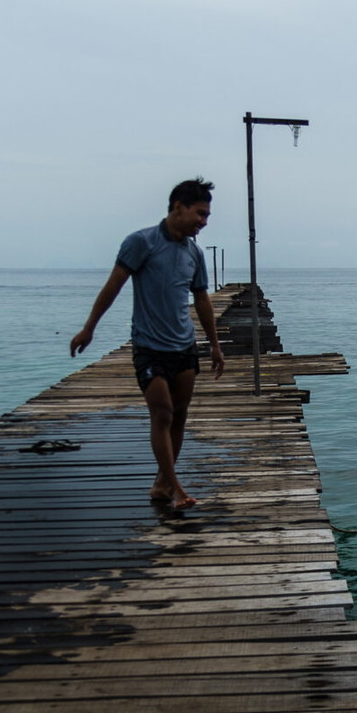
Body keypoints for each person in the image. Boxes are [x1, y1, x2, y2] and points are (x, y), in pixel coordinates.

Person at [69, 177, 225, 509]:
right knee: (163, 414)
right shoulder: (141, 242)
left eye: (207, 215)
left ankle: (162, 483)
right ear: (178, 207)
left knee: (180, 415)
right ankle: (177, 488)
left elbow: (202, 301)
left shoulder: (194, 254)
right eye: (200, 213)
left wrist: (215, 345)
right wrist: (89, 328)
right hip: (149, 346)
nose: (204, 221)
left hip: (184, 347)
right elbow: (113, 286)